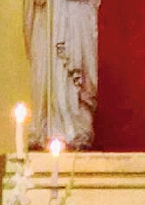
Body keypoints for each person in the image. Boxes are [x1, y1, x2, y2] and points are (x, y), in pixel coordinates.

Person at [24, 0, 100, 150]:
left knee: (71, 77)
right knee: (46, 71)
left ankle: (74, 129)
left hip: (73, 17)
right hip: (47, 20)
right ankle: (45, 128)